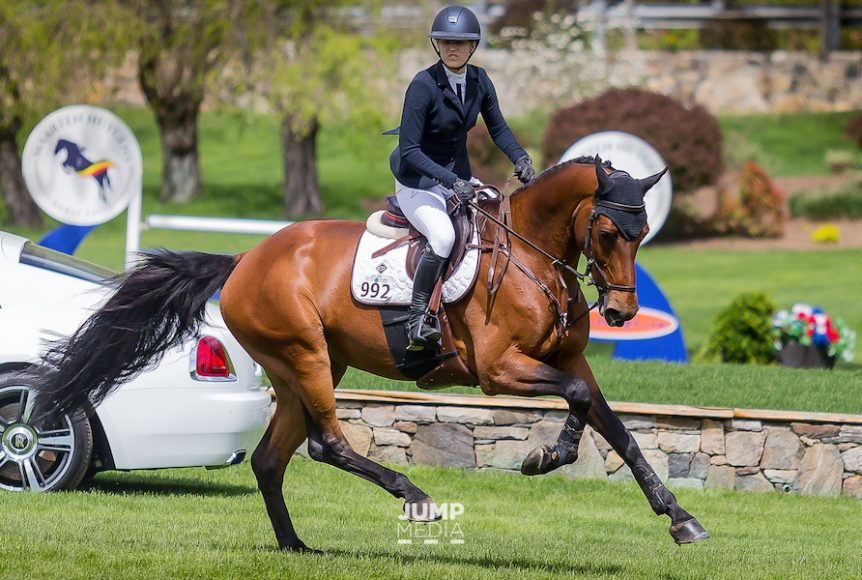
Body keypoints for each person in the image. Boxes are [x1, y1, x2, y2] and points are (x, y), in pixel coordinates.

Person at [390, 4, 535, 351]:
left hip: (457, 178)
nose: (452, 48)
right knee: (441, 237)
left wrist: (521, 157)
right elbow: (409, 150)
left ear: (473, 46)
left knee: (496, 222)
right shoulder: (422, 86)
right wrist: (450, 180)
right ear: (436, 45)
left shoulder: (479, 80)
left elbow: (498, 128)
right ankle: (417, 319)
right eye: (444, 41)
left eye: (461, 42)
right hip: (418, 180)